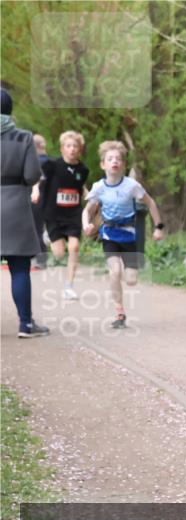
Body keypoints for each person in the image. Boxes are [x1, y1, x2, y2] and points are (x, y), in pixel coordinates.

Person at [82, 141, 164, 330]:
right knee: (115, 271)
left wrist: (158, 227)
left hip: (129, 235)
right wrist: (86, 225)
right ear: (103, 164)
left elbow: (151, 203)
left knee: (131, 280)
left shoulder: (131, 186)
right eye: (110, 159)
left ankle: (124, 292)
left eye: (118, 159)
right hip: (109, 234)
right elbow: (87, 210)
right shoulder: (99, 187)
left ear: (124, 165)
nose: (114, 162)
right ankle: (119, 313)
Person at [0, 88, 49, 338]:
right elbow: (32, 175)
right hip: (15, 207)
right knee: (19, 269)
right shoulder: (24, 137)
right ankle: (25, 325)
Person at [40, 131, 89, 299]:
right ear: (62, 148)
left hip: (74, 213)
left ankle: (69, 286)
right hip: (54, 214)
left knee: (74, 247)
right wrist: (33, 191)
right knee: (59, 254)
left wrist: (91, 198)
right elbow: (38, 179)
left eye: (75, 146)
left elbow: (80, 187)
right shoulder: (52, 165)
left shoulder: (83, 170)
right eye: (69, 146)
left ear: (80, 149)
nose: (72, 149)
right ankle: (47, 236)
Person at [30, 133, 50, 268]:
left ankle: (41, 259)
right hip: (51, 201)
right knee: (42, 230)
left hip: (35, 200)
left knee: (36, 229)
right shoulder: (52, 162)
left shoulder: (32, 162)